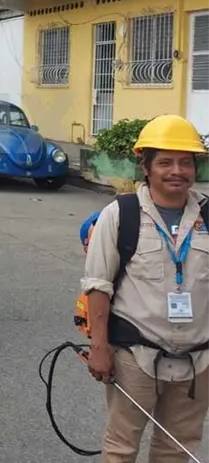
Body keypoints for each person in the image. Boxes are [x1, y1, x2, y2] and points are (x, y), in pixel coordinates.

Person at [82, 114, 209, 462]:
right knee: (122, 447)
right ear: (146, 166)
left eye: (186, 162)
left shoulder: (208, 216)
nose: (177, 171)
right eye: (165, 162)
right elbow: (98, 286)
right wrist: (99, 348)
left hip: (199, 360)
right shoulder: (121, 214)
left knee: (178, 448)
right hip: (135, 358)